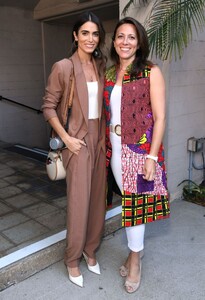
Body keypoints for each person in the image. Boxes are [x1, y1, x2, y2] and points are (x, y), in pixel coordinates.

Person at [104, 17, 170, 294]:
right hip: (114, 147)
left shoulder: (150, 71)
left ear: (139, 42)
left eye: (131, 37)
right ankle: (136, 251)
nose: (125, 42)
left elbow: (161, 117)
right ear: (114, 41)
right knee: (131, 202)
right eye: (120, 36)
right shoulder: (109, 73)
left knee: (135, 206)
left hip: (138, 150)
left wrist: (152, 158)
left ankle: (134, 260)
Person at [42, 11, 107, 288]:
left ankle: (90, 250)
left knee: (97, 200)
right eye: (85, 33)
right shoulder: (63, 67)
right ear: (75, 35)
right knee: (79, 202)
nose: (90, 39)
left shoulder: (101, 65)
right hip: (76, 141)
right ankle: (72, 259)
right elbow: (47, 107)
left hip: (100, 138)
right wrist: (67, 139)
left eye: (95, 34)